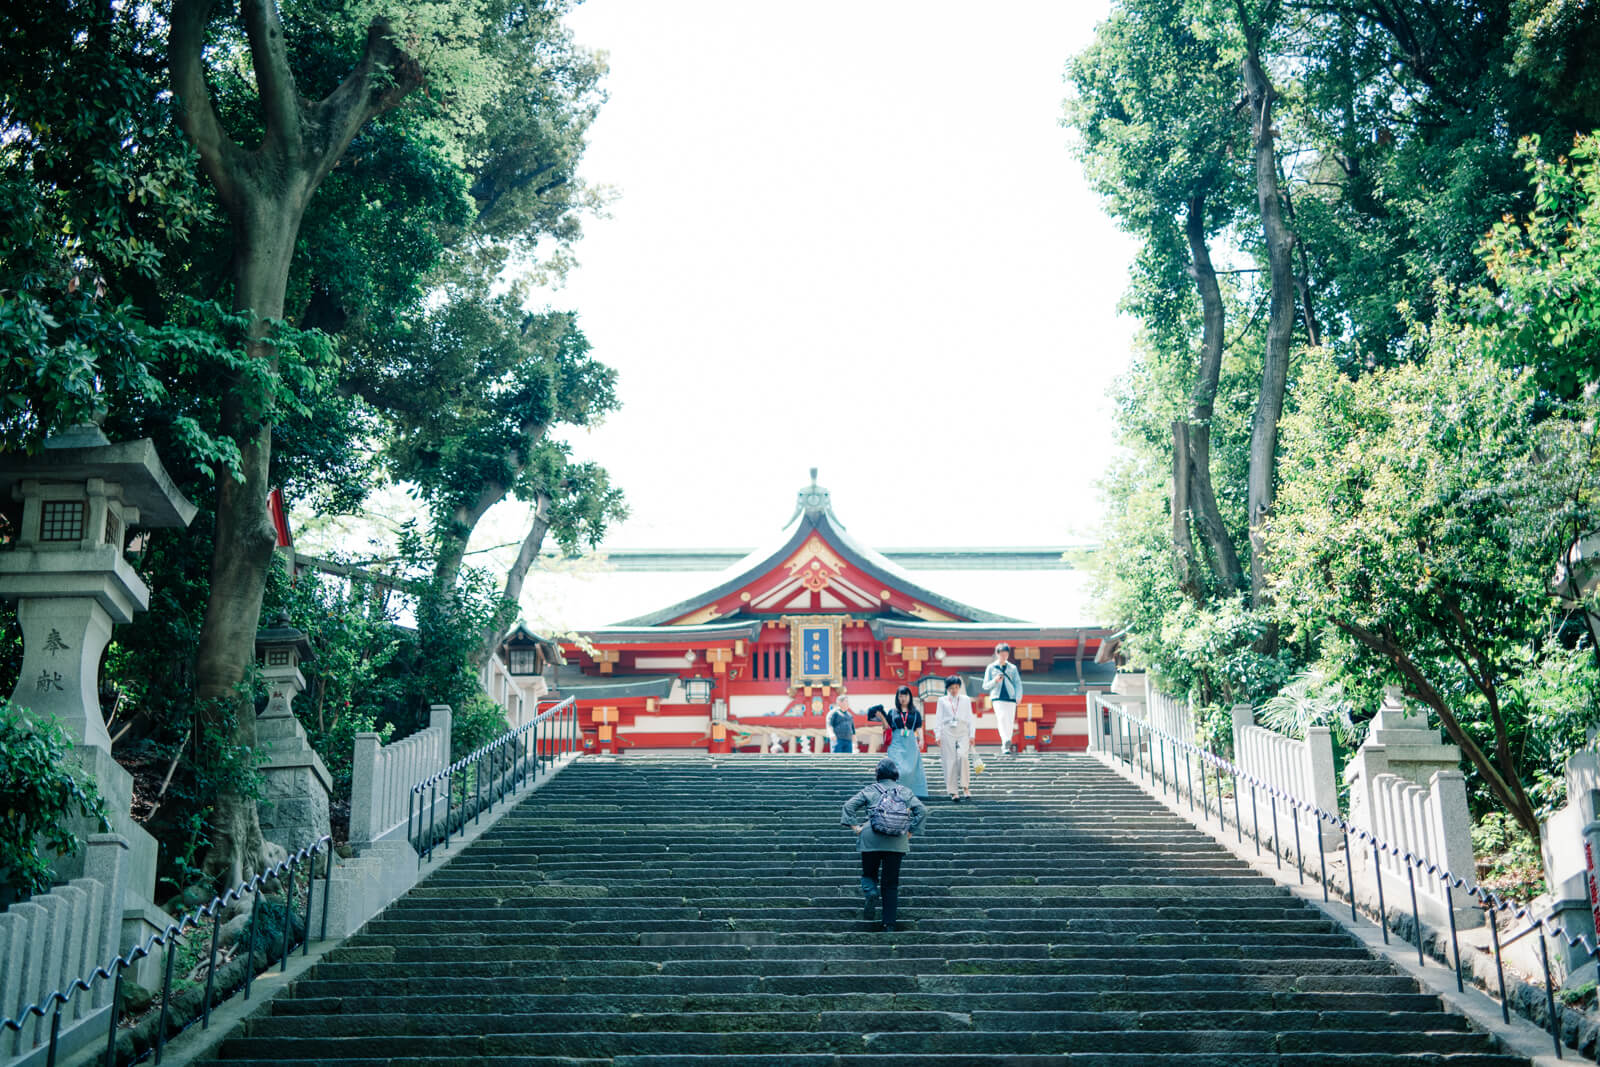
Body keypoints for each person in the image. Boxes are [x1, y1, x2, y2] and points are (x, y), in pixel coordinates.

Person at [841, 757, 928, 931]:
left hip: (870, 839)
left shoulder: (870, 790)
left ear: (878, 774)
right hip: (896, 841)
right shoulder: (905, 791)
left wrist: (856, 827)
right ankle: (889, 924)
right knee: (890, 884)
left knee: (869, 874)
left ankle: (871, 892)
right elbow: (922, 811)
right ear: (895, 773)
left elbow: (848, 806)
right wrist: (910, 831)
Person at [866, 686, 927, 798]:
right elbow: (887, 727)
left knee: (910, 770)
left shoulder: (915, 713)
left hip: (910, 743)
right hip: (896, 743)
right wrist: (882, 718)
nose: (903, 698)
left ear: (910, 697)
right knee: (897, 769)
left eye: (905, 695)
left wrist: (921, 739)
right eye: (900, 695)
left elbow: (918, 727)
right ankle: (895, 792)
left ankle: (907, 793)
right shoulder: (892, 712)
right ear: (897, 697)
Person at [933, 675, 975, 801]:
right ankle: (953, 791)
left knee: (963, 756)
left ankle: (965, 786)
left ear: (959, 688)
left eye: (956, 687)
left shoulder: (966, 699)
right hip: (947, 730)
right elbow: (938, 718)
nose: (954, 690)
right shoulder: (942, 700)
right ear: (947, 688)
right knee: (949, 760)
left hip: (962, 730)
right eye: (951, 688)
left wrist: (972, 735)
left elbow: (970, 718)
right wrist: (937, 735)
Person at [983, 642, 1024, 755]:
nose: (1004, 656)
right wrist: (995, 680)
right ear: (997, 654)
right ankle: (1005, 740)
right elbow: (985, 685)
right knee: (1001, 718)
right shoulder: (991, 667)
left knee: (1009, 720)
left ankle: (1006, 745)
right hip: (997, 697)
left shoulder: (1012, 668)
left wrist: (1018, 696)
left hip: (1010, 697)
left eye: (1006, 654)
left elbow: (1018, 683)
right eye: (1002, 654)